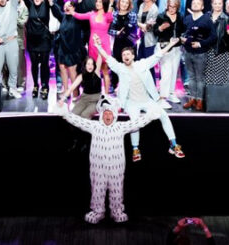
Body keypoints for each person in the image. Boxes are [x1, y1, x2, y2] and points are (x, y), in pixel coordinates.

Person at [55, 96, 160, 224]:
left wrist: (150, 116)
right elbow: (78, 121)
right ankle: (97, 212)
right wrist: (65, 113)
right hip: (98, 167)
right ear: (101, 115)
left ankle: (117, 212)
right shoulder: (94, 126)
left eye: (110, 113)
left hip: (116, 167)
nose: (108, 116)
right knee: (97, 189)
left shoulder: (120, 127)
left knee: (117, 190)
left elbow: (136, 123)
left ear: (114, 115)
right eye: (105, 113)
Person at [92, 35, 185, 162]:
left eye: (128, 54)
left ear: (133, 56)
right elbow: (108, 58)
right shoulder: (120, 68)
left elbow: (158, 55)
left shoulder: (142, 64)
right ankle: (135, 148)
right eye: (123, 55)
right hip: (131, 103)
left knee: (163, 115)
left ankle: (173, 144)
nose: (125, 56)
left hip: (147, 100)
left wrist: (171, 44)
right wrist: (98, 46)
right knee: (135, 122)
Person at [180, 0, 216, 111]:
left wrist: (201, 44)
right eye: (193, 3)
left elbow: (213, 37)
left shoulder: (207, 19)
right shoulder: (187, 19)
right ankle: (192, 98)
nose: (195, 5)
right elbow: (182, 33)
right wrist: (182, 39)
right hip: (188, 52)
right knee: (191, 77)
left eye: (198, 3)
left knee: (200, 78)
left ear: (202, 6)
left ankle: (200, 100)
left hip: (201, 53)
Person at [72, 0, 114, 93]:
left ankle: (106, 94)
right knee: (93, 70)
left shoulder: (108, 16)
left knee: (105, 71)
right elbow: (80, 16)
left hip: (104, 45)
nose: (97, 3)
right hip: (92, 45)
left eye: (100, 2)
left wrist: (111, 1)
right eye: (97, 1)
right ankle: (94, 92)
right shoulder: (91, 14)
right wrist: (72, 12)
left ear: (104, 4)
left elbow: (111, 13)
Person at [155, 0, 186, 109]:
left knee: (173, 72)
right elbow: (155, 31)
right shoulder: (161, 16)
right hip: (165, 47)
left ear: (177, 7)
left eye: (174, 7)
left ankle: (171, 93)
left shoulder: (180, 16)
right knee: (166, 73)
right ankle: (162, 98)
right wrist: (161, 28)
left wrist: (182, 37)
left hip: (177, 47)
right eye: (170, 6)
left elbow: (183, 30)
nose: (172, 9)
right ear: (167, 6)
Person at [205, 0, 229, 85]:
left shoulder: (227, 18)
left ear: (222, 4)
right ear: (212, 4)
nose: (217, 5)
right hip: (207, 50)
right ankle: (209, 93)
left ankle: (220, 93)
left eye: (219, 3)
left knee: (220, 77)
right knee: (207, 75)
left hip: (220, 50)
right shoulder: (206, 16)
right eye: (215, 3)